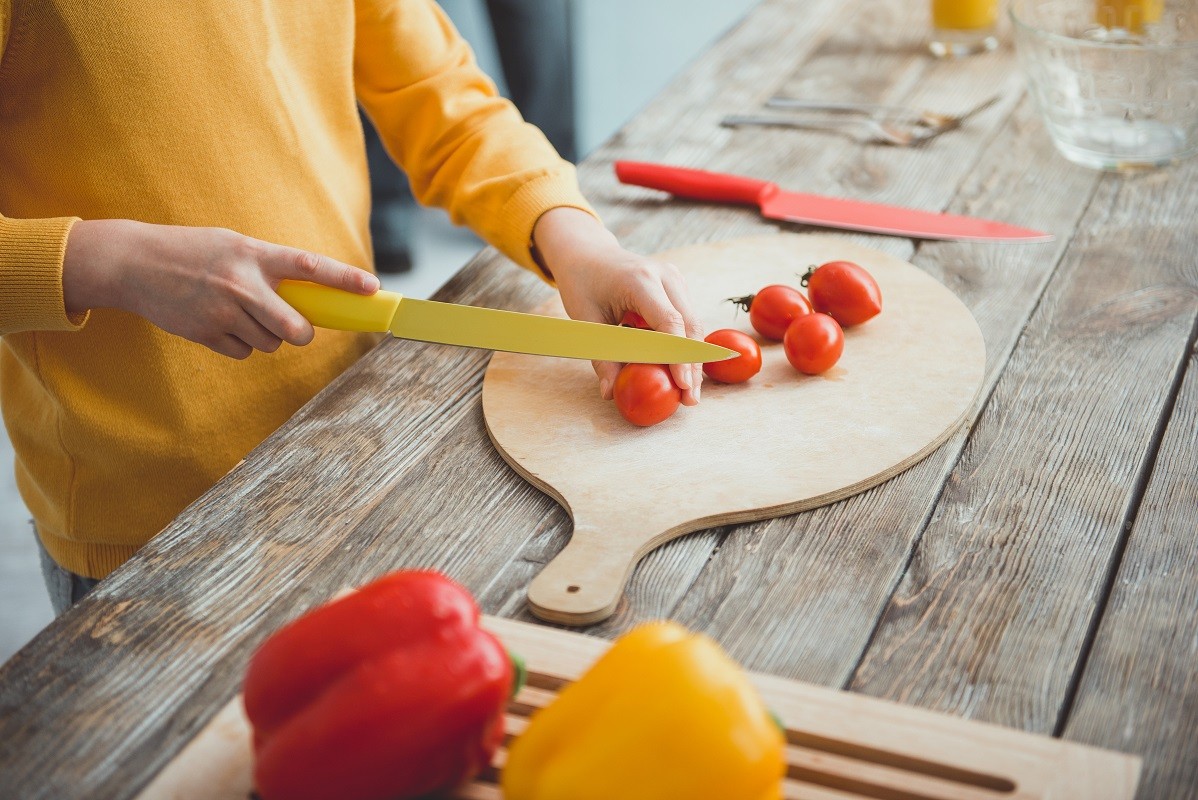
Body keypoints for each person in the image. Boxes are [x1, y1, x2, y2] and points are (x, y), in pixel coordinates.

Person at [0, 0, 705, 615]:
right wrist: (113, 264)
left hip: (350, 433)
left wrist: (575, 239)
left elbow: (441, 95)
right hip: (149, 521)